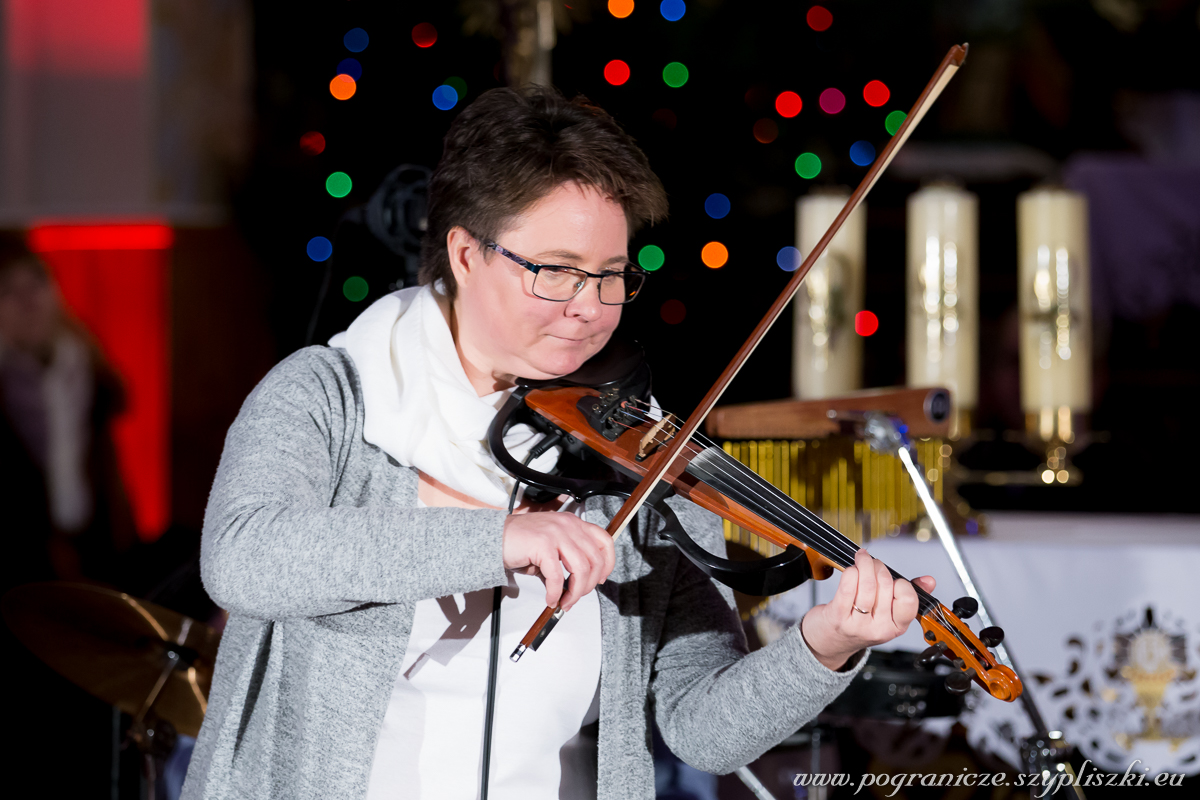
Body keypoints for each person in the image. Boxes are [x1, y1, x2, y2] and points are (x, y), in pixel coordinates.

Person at [182, 87, 934, 800]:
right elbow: (244, 558)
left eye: (611, 277)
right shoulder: (330, 397)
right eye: (556, 273)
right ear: (466, 255)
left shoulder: (634, 448)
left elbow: (703, 730)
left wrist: (825, 644)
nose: (589, 309)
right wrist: (499, 537)